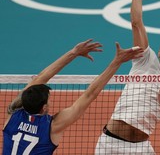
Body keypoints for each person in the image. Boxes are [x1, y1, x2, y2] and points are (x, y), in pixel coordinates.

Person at [2, 39, 144, 154]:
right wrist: (116, 62)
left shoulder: (12, 114)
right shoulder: (52, 127)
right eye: (49, 99)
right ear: (44, 107)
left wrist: (74, 52)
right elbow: (89, 95)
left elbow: (40, 78)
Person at [95, 0, 160, 154]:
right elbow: (136, 22)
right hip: (111, 144)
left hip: (141, 148)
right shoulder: (145, 60)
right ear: (158, 51)